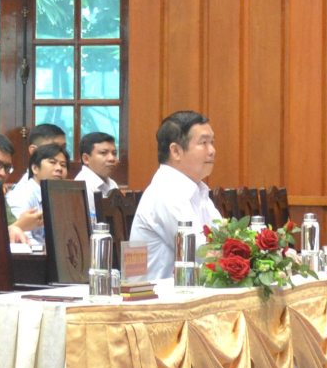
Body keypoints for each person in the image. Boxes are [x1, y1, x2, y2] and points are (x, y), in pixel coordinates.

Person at [129, 111, 221, 281]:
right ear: (176, 151)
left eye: (212, 143)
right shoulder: (165, 191)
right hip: (153, 300)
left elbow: (222, 239)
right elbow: (203, 254)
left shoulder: (198, 190)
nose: (212, 151)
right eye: (204, 143)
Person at [16, 141, 73, 246]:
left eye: (63, 165)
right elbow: (21, 241)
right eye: (52, 162)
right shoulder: (22, 195)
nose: (59, 168)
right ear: (35, 168)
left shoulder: (60, 196)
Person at [5, 124, 68, 218]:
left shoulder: (59, 190)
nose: (59, 152)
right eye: (53, 147)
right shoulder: (22, 196)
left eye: (63, 147)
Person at [76, 130, 120, 210]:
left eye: (114, 153)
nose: (112, 158)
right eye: (103, 153)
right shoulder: (82, 186)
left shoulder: (112, 184)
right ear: (86, 159)